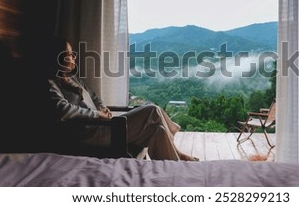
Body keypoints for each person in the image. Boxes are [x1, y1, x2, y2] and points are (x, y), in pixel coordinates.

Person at [45, 36, 198, 161]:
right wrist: (98, 115)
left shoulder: (74, 79)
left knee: (158, 130)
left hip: (101, 125)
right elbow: (61, 109)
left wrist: (101, 108)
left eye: (72, 54)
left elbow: (94, 96)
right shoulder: (50, 83)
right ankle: (178, 154)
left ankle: (174, 171)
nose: (73, 58)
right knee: (152, 109)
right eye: (68, 54)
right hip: (88, 133)